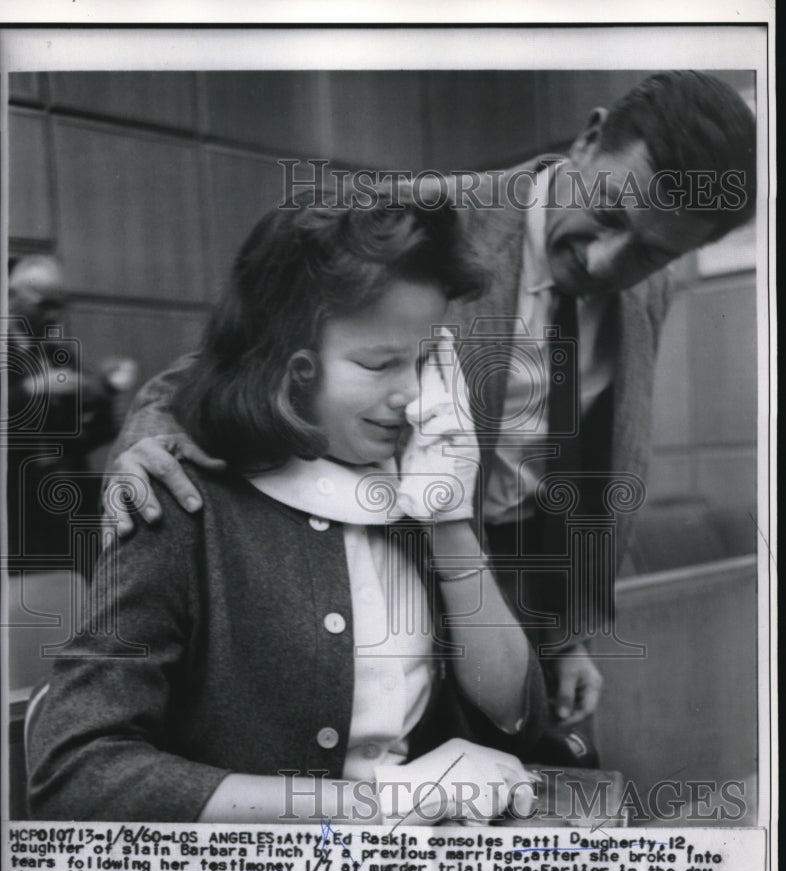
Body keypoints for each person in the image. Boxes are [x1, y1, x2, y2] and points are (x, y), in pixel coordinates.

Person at [101, 71, 756, 740]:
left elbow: (588, 465)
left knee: (544, 791)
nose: (606, 259)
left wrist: (566, 636)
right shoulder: (421, 220)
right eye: (610, 213)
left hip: (521, 576)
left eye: (650, 251)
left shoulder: (649, 292)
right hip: (399, 570)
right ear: (587, 141)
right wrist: (147, 443)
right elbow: (236, 360)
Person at [27, 191, 548, 824]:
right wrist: (377, 801)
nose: (413, 398)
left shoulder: (419, 474)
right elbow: (75, 773)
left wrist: (450, 522)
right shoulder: (182, 499)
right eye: (379, 363)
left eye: (425, 361)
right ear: (286, 365)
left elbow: (513, 720)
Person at [5, 254, 137, 565]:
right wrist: (31, 389)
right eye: (44, 304)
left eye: (59, 305)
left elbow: (86, 437)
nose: (54, 317)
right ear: (11, 297)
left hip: (67, 501)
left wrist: (106, 392)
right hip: (13, 503)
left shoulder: (60, 355)